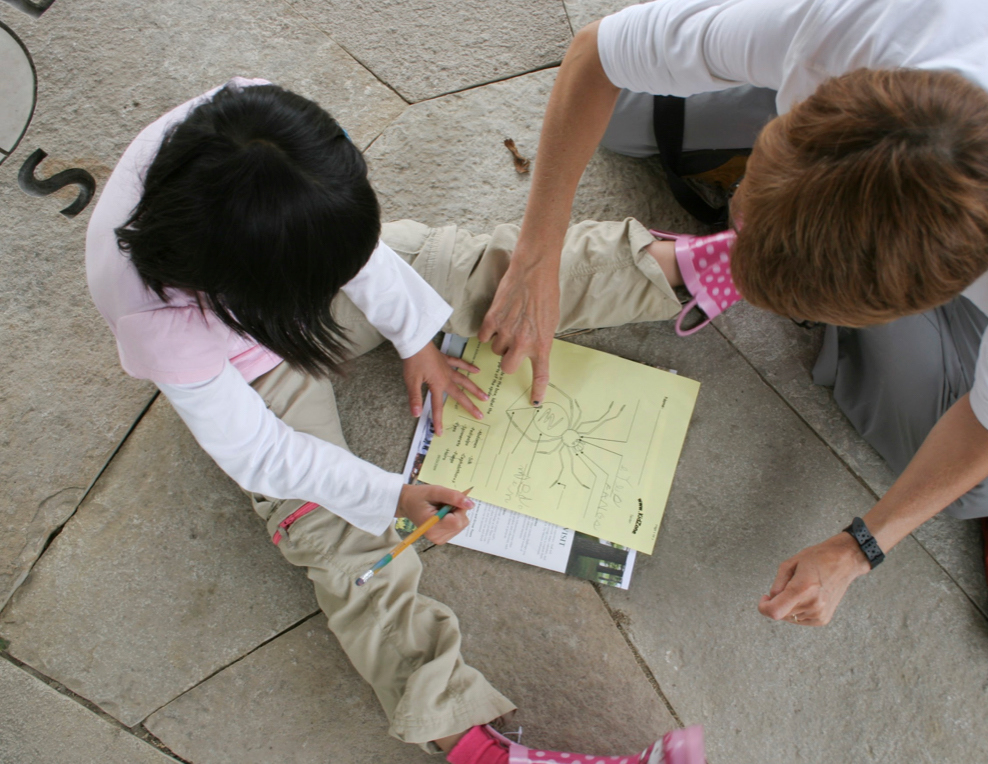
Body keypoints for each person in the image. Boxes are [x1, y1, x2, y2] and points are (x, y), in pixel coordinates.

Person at [84, 79, 705, 763]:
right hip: (253, 371)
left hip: (292, 279)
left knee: (470, 269)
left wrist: (415, 338)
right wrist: (390, 496)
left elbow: (367, 256)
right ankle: (468, 738)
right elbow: (260, 451)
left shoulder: (264, 125)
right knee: (336, 539)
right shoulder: (158, 321)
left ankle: (681, 268)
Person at [478, 0, 988, 627]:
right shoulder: (843, 25)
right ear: (802, 114)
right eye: (748, 210)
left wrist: (859, 548)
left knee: (987, 489)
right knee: (618, 113)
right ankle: (748, 243)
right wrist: (537, 254)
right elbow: (594, 52)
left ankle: (750, 263)